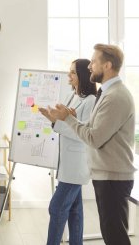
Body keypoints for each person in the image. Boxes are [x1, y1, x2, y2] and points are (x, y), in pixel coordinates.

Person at [47, 44, 136, 245]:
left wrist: (67, 119)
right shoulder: (107, 94)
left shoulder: (115, 97)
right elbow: (93, 128)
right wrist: (66, 118)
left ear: (107, 65)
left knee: (115, 237)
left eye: (94, 61)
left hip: (113, 177)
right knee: (109, 233)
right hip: (105, 174)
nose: (90, 67)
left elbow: (94, 138)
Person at [39, 59, 97, 245]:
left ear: (82, 75)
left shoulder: (91, 101)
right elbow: (67, 123)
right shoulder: (72, 97)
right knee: (74, 211)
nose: (69, 76)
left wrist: (56, 122)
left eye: (72, 72)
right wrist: (53, 117)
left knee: (56, 208)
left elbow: (83, 134)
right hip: (66, 164)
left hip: (76, 166)